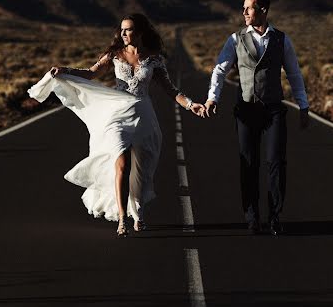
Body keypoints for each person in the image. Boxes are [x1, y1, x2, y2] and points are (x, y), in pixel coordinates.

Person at [28, 13, 206, 237]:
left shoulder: (154, 59)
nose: (123, 33)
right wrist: (65, 70)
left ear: (139, 33)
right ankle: (123, 218)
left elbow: (171, 90)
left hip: (143, 116)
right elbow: (91, 73)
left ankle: (138, 212)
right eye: (121, 29)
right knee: (121, 163)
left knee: (141, 168)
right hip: (117, 115)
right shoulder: (114, 54)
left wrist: (191, 105)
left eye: (128, 29)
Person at [204, 0, 310, 236]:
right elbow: (220, 70)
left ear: (263, 10)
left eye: (249, 7)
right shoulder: (235, 39)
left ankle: (274, 216)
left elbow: (294, 74)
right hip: (246, 110)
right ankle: (252, 216)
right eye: (244, 8)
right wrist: (212, 98)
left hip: (273, 109)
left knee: (275, 163)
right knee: (248, 164)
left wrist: (303, 106)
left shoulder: (282, 39)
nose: (244, 12)